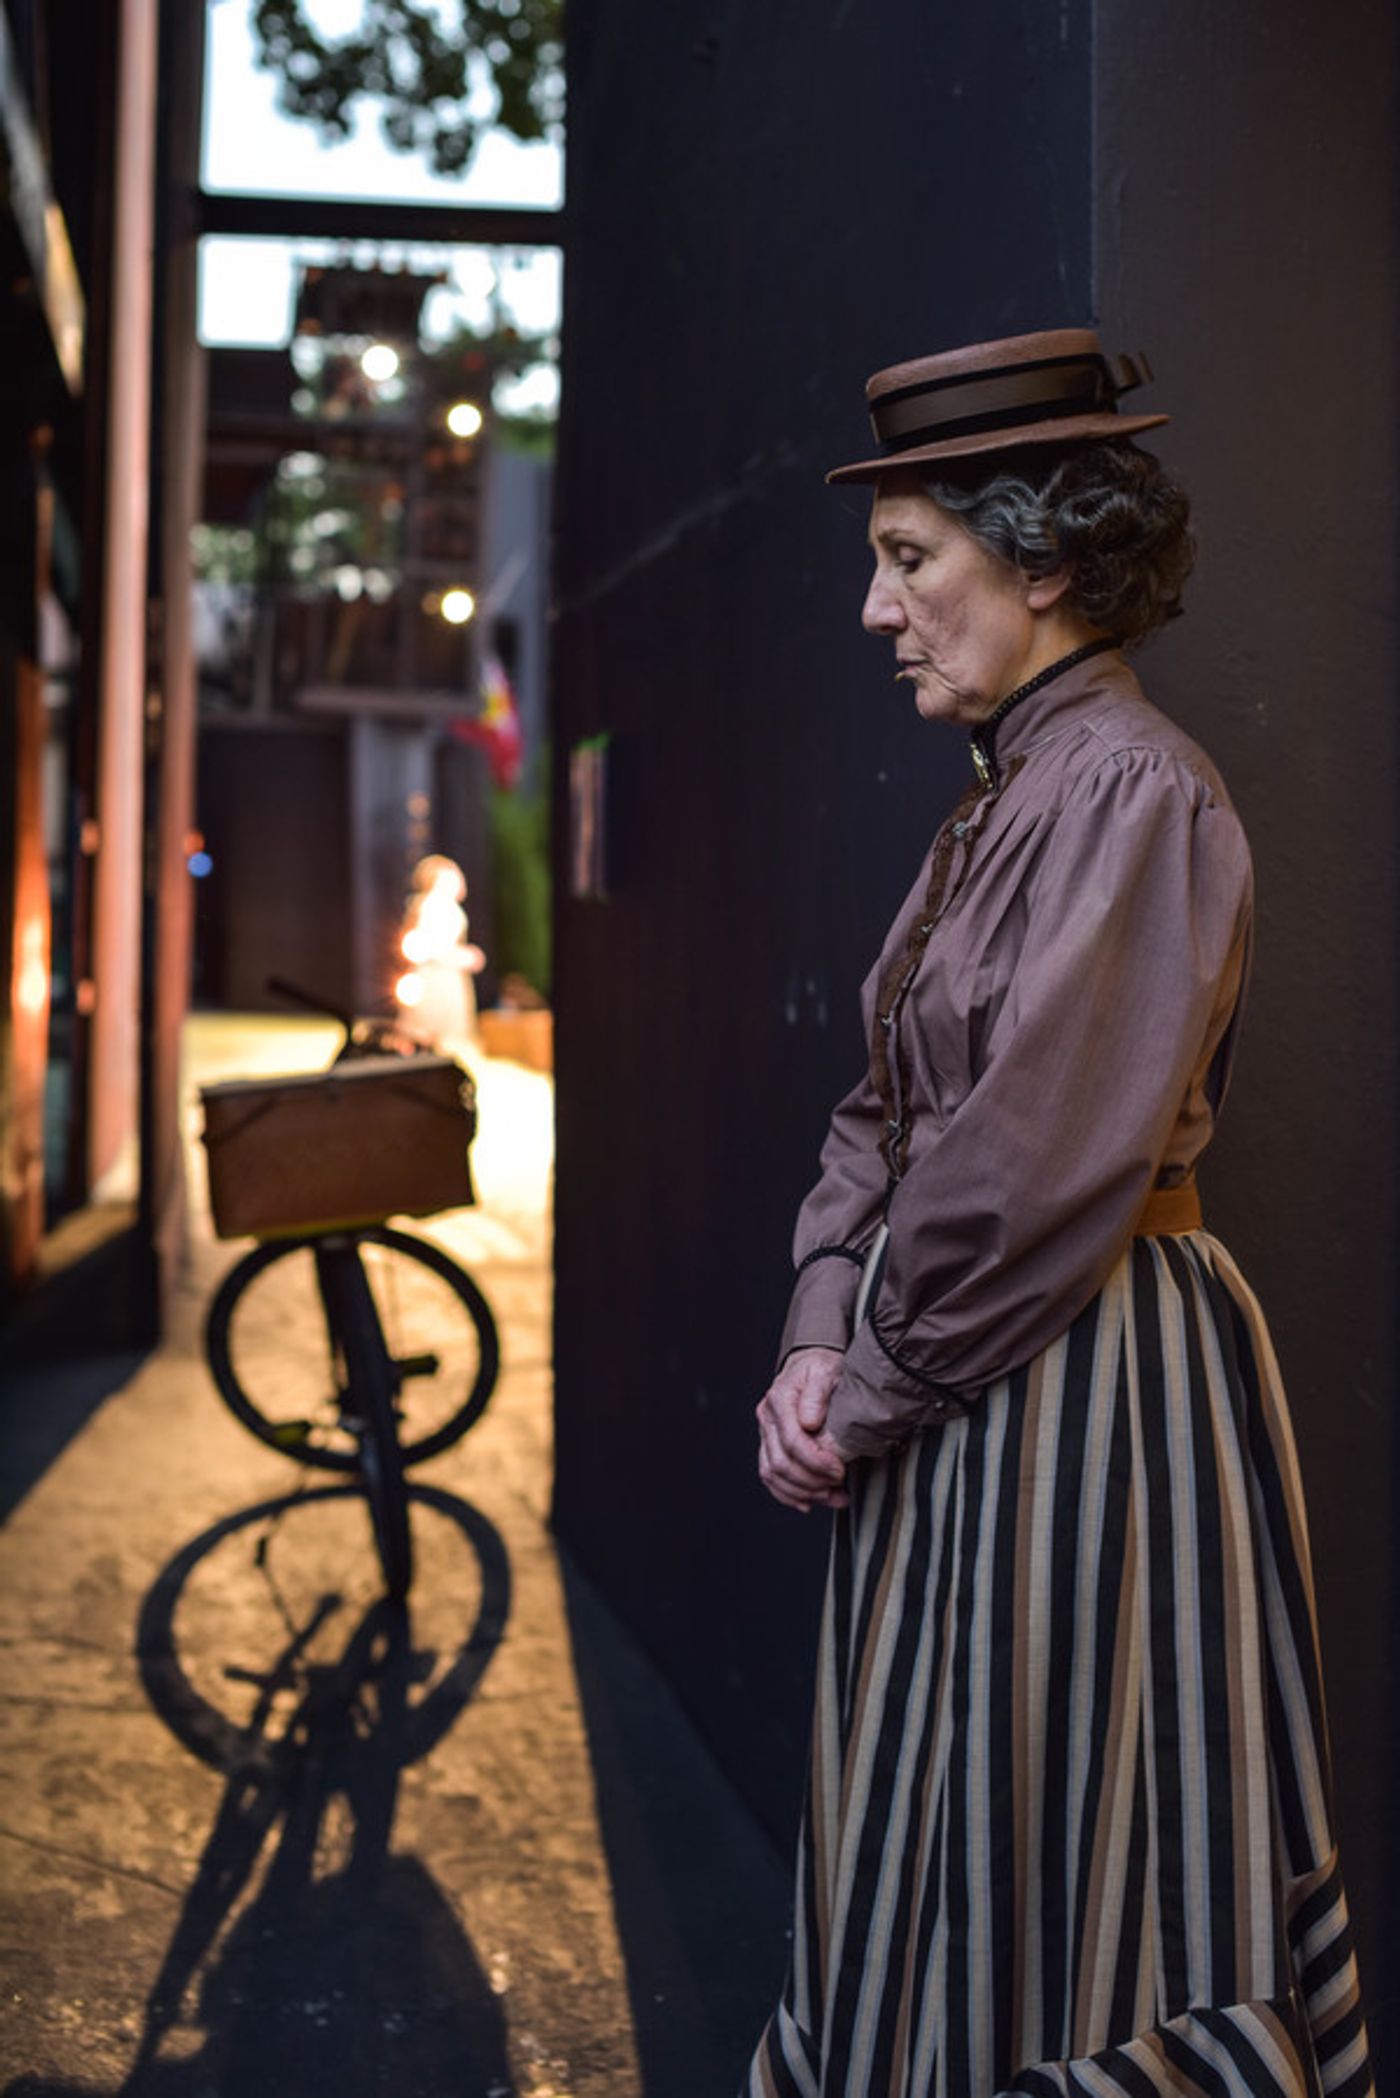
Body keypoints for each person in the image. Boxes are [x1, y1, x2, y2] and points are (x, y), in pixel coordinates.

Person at [746, 330, 1372, 2098]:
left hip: (1084, 1383)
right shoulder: (1012, 792)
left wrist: (862, 1386)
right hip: (965, 1378)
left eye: (909, 559)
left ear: (1045, 562)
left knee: (1069, 1832)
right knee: (947, 1811)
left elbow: (1030, 1169)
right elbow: (881, 1107)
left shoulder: (1129, 790)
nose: (878, 610)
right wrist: (814, 1332)